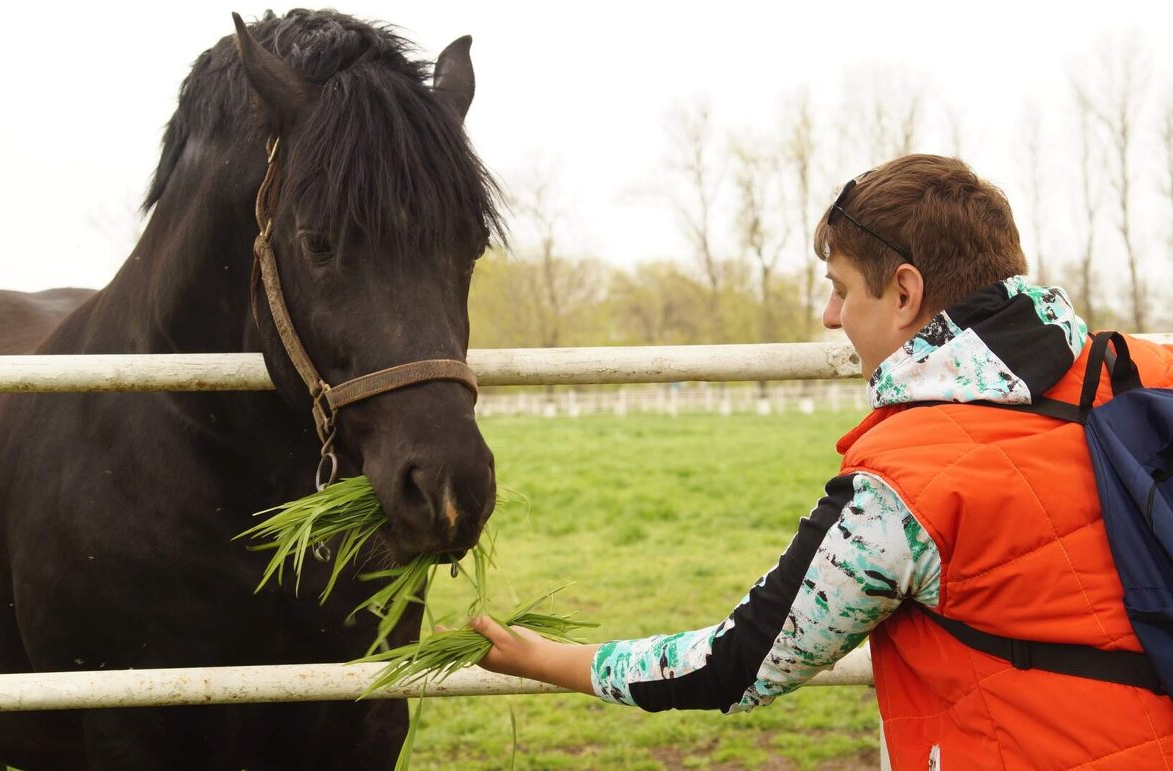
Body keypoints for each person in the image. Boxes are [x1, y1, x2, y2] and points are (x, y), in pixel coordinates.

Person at [470, 154, 1173, 768]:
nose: (829, 317)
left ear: (904, 293)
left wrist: (549, 660)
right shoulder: (1149, 367)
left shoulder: (902, 487)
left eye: (840, 288)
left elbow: (737, 661)